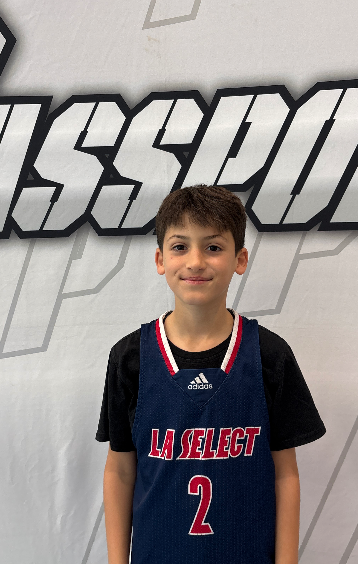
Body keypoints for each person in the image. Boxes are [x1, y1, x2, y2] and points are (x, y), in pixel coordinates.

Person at [96, 184, 326, 564]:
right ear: (160, 259)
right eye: (180, 246)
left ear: (240, 259)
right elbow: (120, 470)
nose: (196, 261)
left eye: (213, 247)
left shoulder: (269, 355)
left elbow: (285, 474)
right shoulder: (130, 358)